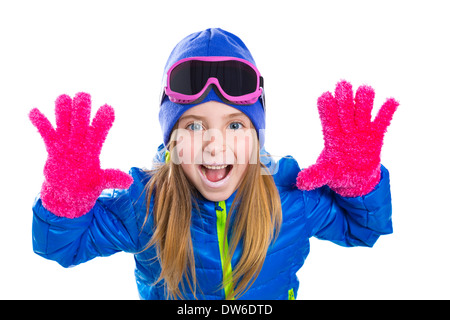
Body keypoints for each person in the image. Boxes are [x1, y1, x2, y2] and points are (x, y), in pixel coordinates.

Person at [29, 28, 399, 300]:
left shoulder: (290, 201)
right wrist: (66, 200)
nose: (214, 143)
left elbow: (364, 230)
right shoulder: (143, 208)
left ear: (257, 139)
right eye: (193, 125)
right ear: (171, 141)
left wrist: (360, 183)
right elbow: (61, 247)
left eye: (235, 124)